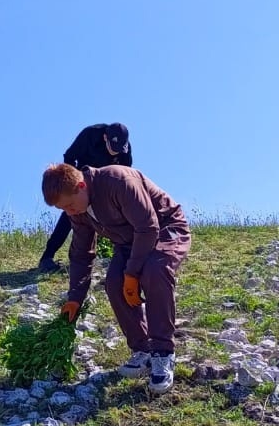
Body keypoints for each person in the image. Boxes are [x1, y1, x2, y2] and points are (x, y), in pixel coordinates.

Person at [41, 163, 190, 394]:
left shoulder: (119, 181)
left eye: (70, 205)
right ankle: (143, 350)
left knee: (154, 271)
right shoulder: (78, 211)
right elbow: (81, 254)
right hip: (128, 241)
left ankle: (163, 353)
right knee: (114, 284)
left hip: (165, 228)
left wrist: (132, 273)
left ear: (81, 186)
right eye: (64, 210)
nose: (70, 213)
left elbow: (148, 227)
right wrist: (75, 298)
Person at [38, 123, 133, 273]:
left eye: (119, 149)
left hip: (104, 189)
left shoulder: (124, 149)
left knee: (111, 219)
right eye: (112, 147)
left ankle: (121, 255)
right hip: (81, 184)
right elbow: (69, 156)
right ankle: (47, 257)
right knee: (69, 216)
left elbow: (126, 174)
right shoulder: (90, 134)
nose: (116, 152)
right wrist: (73, 181)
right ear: (104, 137)